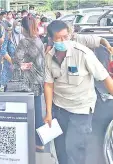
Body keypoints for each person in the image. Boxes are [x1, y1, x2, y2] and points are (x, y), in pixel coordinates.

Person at [44, 20, 113, 164]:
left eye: (66, 37)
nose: (64, 41)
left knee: (74, 149)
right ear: (51, 39)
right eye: (59, 38)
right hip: (60, 109)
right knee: (60, 150)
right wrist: (49, 112)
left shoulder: (83, 53)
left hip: (81, 110)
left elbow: (105, 78)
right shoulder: (49, 57)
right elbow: (48, 85)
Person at [14, 16, 45, 151]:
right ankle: (39, 141)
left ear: (24, 27)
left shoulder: (24, 42)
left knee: (23, 113)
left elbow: (16, 60)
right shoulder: (39, 40)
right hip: (38, 80)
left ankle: (25, 141)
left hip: (27, 82)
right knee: (37, 112)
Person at [45, 24, 113, 54]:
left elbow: (101, 40)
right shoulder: (54, 42)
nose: (62, 40)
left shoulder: (80, 39)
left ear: (70, 33)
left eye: (65, 36)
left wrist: (108, 47)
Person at [0, 19, 24, 92]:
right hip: (9, 66)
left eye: (20, 25)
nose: (18, 27)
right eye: (17, 25)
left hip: (22, 67)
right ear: (14, 26)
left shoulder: (25, 37)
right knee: (8, 90)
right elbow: (3, 51)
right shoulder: (9, 36)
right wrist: (12, 62)